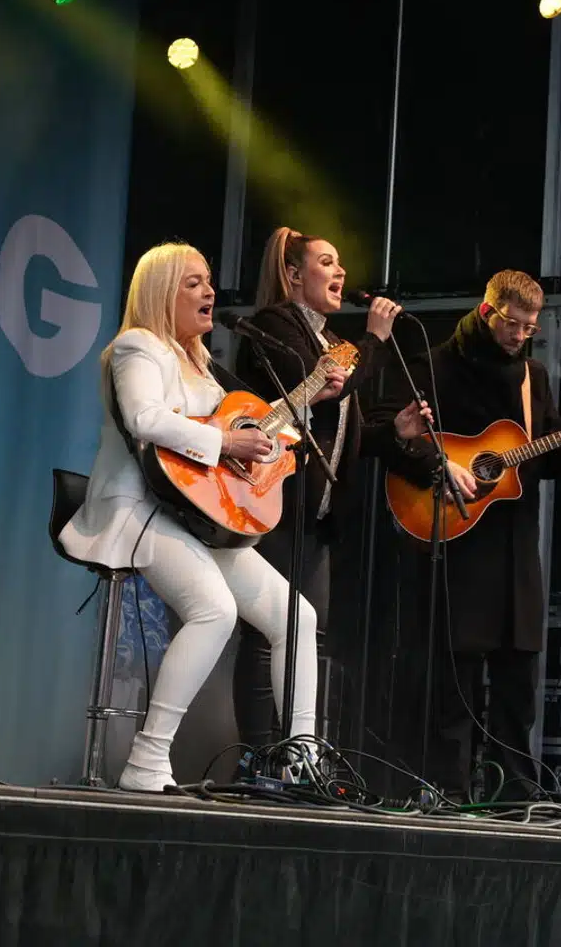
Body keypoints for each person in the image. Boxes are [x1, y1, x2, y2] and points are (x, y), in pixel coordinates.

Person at [58, 242, 341, 792]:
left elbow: (255, 429)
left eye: (210, 281)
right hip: (137, 506)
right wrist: (225, 438)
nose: (209, 291)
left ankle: (300, 758)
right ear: (162, 292)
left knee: (297, 617)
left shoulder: (204, 366)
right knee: (213, 610)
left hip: (190, 515)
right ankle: (146, 758)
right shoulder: (138, 347)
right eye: (193, 283)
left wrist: (308, 402)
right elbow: (145, 418)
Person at [371, 269, 561, 801]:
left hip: (514, 545)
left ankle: (513, 797)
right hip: (457, 542)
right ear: (487, 312)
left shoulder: (535, 379)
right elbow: (389, 437)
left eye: (530, 328)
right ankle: (448, 790)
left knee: (517, 679)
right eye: (513, 323)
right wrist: (438, 467)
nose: (521, 335)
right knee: (454, 678)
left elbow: (538, 462)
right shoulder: (435, 366)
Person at [230, 226, 432, 750]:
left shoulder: (332, 343)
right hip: (278, 500)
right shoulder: (276, 326)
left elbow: (344, 437)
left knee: (307, 633)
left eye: (340, 263)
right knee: (265, 630)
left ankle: (294, 751)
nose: (340, 272)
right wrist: (376, 339)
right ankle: (257, 753)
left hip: (319, 516)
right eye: (327, 262)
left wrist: (397, 433)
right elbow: (315, 389)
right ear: (294, 275)